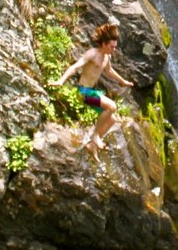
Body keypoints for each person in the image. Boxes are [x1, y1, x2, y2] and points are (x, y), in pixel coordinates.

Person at [52, 22, 134, 155]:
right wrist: (61, 80)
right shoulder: (92, 54)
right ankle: (95, 135)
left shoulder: (107, 57)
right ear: (104, 44)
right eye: (112, 47)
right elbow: (75, 67)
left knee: (112, 119)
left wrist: (123, 81)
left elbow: (110, 71)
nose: (114, 50)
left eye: (115, 47)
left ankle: (91, 146)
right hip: (83, 93)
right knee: (112, 106)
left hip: (92, 93)